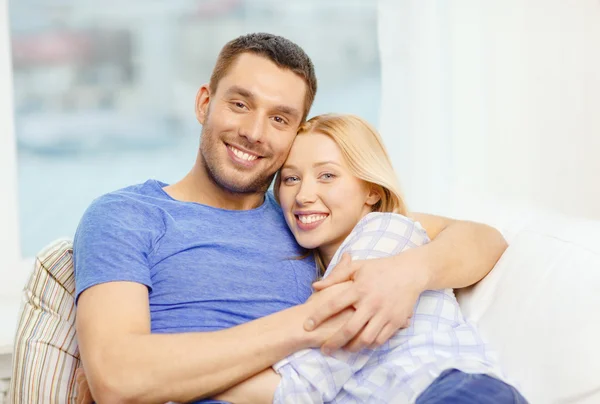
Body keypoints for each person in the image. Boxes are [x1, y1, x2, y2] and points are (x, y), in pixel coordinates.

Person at [73, 33, 508, 404]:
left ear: (295, 130)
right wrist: (316, 320)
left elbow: (481, 239)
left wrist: (409, 273)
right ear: (205, 102)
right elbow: (117, 377)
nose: (255, 132)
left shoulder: (307, 218)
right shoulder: (128, 216)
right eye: (240, 104)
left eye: (279, 118)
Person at [212, 114, 527, 403]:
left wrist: (180, 382)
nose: (304, 195)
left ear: (372, 191)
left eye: (326, 176)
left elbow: (304, 383)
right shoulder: (314, 272)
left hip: (450, 391)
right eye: (291, 179)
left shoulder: (385, 232)